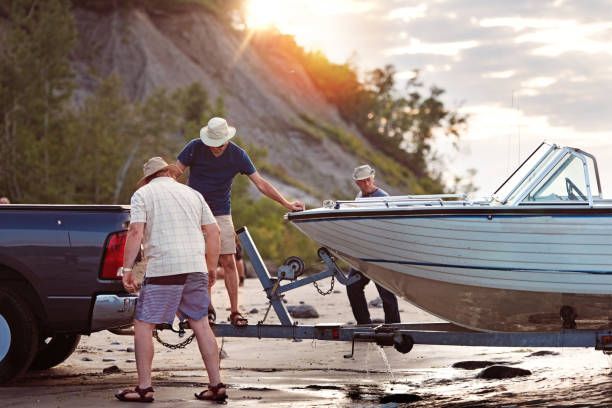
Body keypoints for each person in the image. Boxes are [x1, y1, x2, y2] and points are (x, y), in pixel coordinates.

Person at [115, 157, 227, 402]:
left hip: (165, 267)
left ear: (148, 178)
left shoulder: (143, 194)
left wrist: (126, 269)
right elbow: (214, 231)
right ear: (169, 172)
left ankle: (144, 388)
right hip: (195, 266)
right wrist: (210, 267)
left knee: (143, 325)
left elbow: (135, 232)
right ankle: (216, 385)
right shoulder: (193, 194)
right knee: (201, 324)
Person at [176, 117, 304, 327]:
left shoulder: (237, 155)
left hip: (221, 213)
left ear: (226, 140)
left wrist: (287, 203)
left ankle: (235, 311)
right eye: (212, 144)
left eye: (220, 144)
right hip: (193, 212)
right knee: (201, 263)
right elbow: (175, 172)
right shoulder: (194, 148)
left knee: (228, 261)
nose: (216, 148)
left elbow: (261, 183)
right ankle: (206, 310)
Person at [346, 164, 401, 325]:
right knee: (353, 286)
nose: (366, 183)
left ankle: (393, 326)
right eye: (362, 181)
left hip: (380, 254)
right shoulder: (359, 197)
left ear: (373, 178)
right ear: (357, 183)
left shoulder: (384, 198)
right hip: (362, 254)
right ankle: (364, 324)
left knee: (386, 292)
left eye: (368, 180)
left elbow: (392, 227)